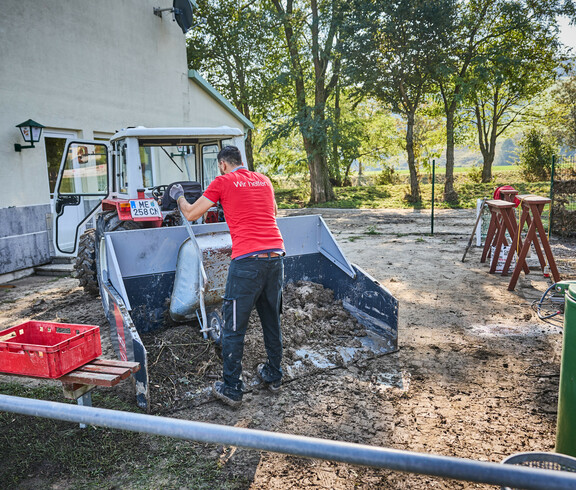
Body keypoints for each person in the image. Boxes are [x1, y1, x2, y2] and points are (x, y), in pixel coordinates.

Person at [169, 146, 285, 408]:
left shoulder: (223, 181)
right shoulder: (264, 180)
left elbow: (190, 213)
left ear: (222, 164)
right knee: (271, 320)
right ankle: (274, 375)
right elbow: (272, 213)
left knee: (233, 327)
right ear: (241, 162)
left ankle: (232, 388)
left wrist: (178, 197)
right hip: (276, 257)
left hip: (246, 263)